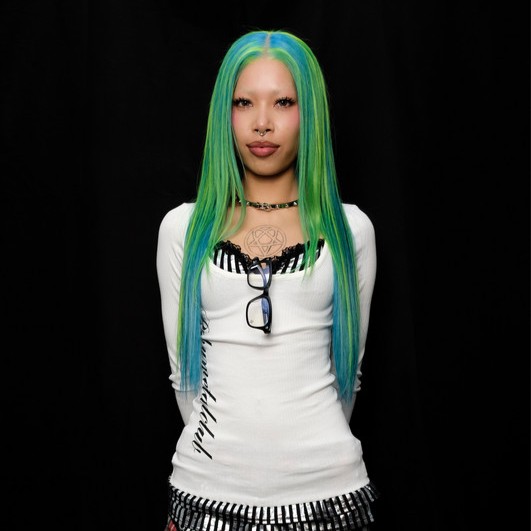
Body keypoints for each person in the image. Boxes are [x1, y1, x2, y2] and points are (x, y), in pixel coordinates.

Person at [156, 29, 378, 531]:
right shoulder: (183, 229)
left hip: (329, 500)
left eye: (283, 102)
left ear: (309, 113)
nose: (262, 122)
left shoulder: (350, 232)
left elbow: (348, 377)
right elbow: (184, 379)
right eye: (244, 103)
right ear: (225, 113)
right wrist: (234, 465)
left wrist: (295, 464)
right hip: (205, 499)